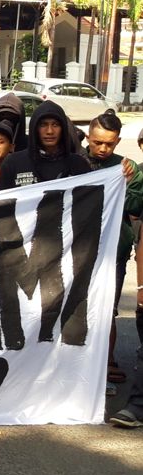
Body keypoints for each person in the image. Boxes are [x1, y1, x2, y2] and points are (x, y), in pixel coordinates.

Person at [82, 110, 143, 390]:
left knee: (107, 310)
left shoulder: (128, 168)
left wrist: (129, 185)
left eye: (109, 143)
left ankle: (106, 364)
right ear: (88, 138)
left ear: (118, 142)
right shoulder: (74, 164)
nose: (103, 148)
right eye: (98, 143)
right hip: (77, 249)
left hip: (112, 251)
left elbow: (134, 208)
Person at [0, 101, 90, 189]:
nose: (50, 131)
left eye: (55, 125)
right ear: (35, 128)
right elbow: (1, 202)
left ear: (63, 128)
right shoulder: (13, 163)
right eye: (43, 125)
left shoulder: (78, 165)